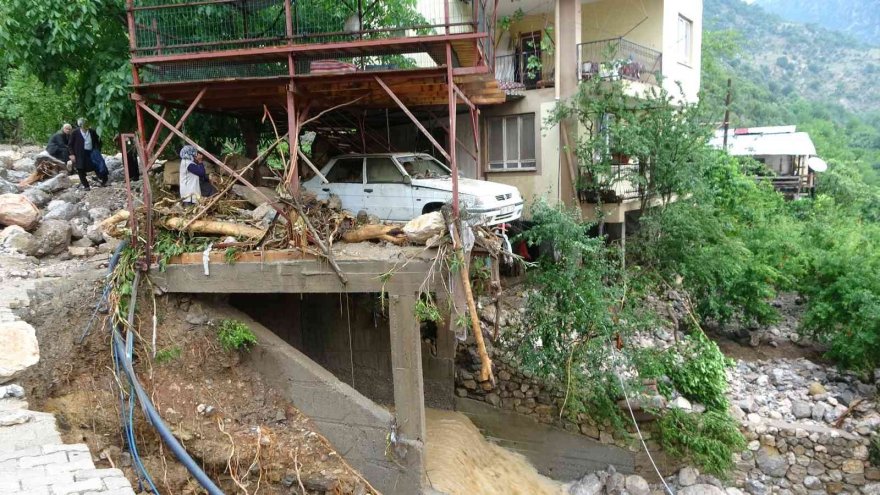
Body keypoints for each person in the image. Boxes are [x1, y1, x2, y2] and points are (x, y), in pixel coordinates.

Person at [68, 118, 108, 190]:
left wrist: (97, 150)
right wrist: (72, 154)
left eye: (87, 125)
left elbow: (98, 141)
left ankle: (104, 181)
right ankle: (86, 186)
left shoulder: (92, 131)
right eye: (84, 125)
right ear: (80, 126)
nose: (86, 127)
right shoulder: (75, 133)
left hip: (91, 152)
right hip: (80, 153)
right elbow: (70, 145)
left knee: (99, 165)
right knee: (80, 168)